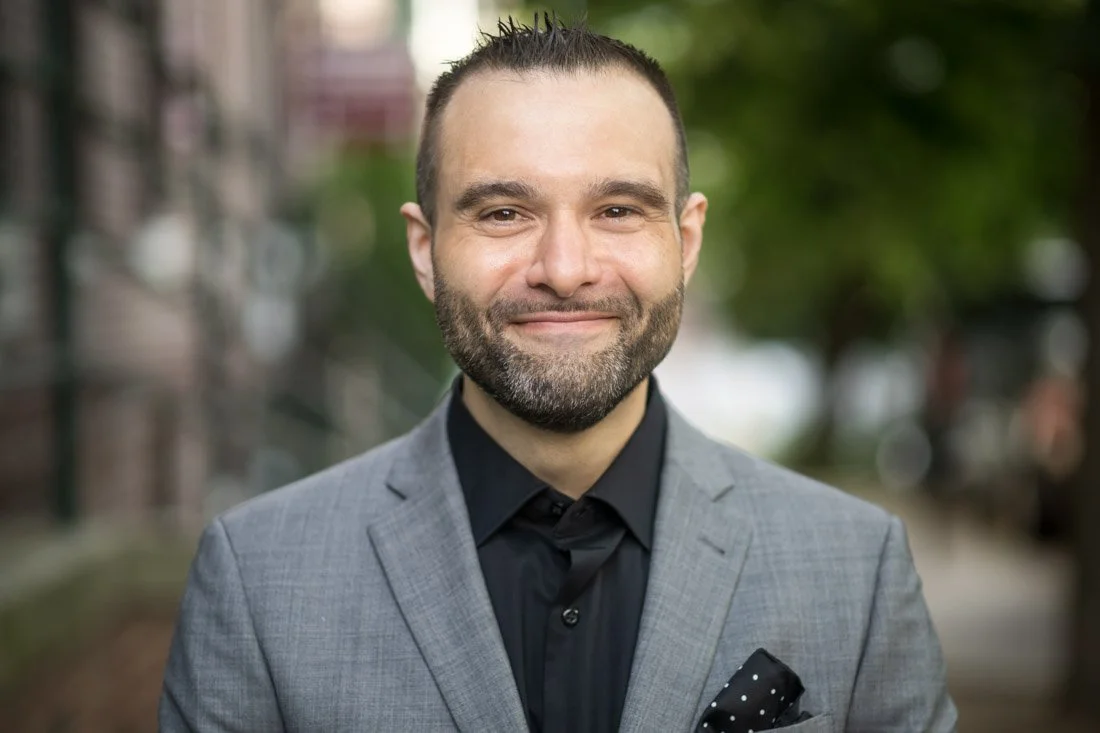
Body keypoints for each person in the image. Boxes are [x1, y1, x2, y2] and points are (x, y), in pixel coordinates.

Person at [159, 16, 956, 733]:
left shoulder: (857, 570)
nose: (566, 269)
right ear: (424, 250)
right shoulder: (257, 579)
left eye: (617, 210)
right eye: (504, 213)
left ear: (685, 241)